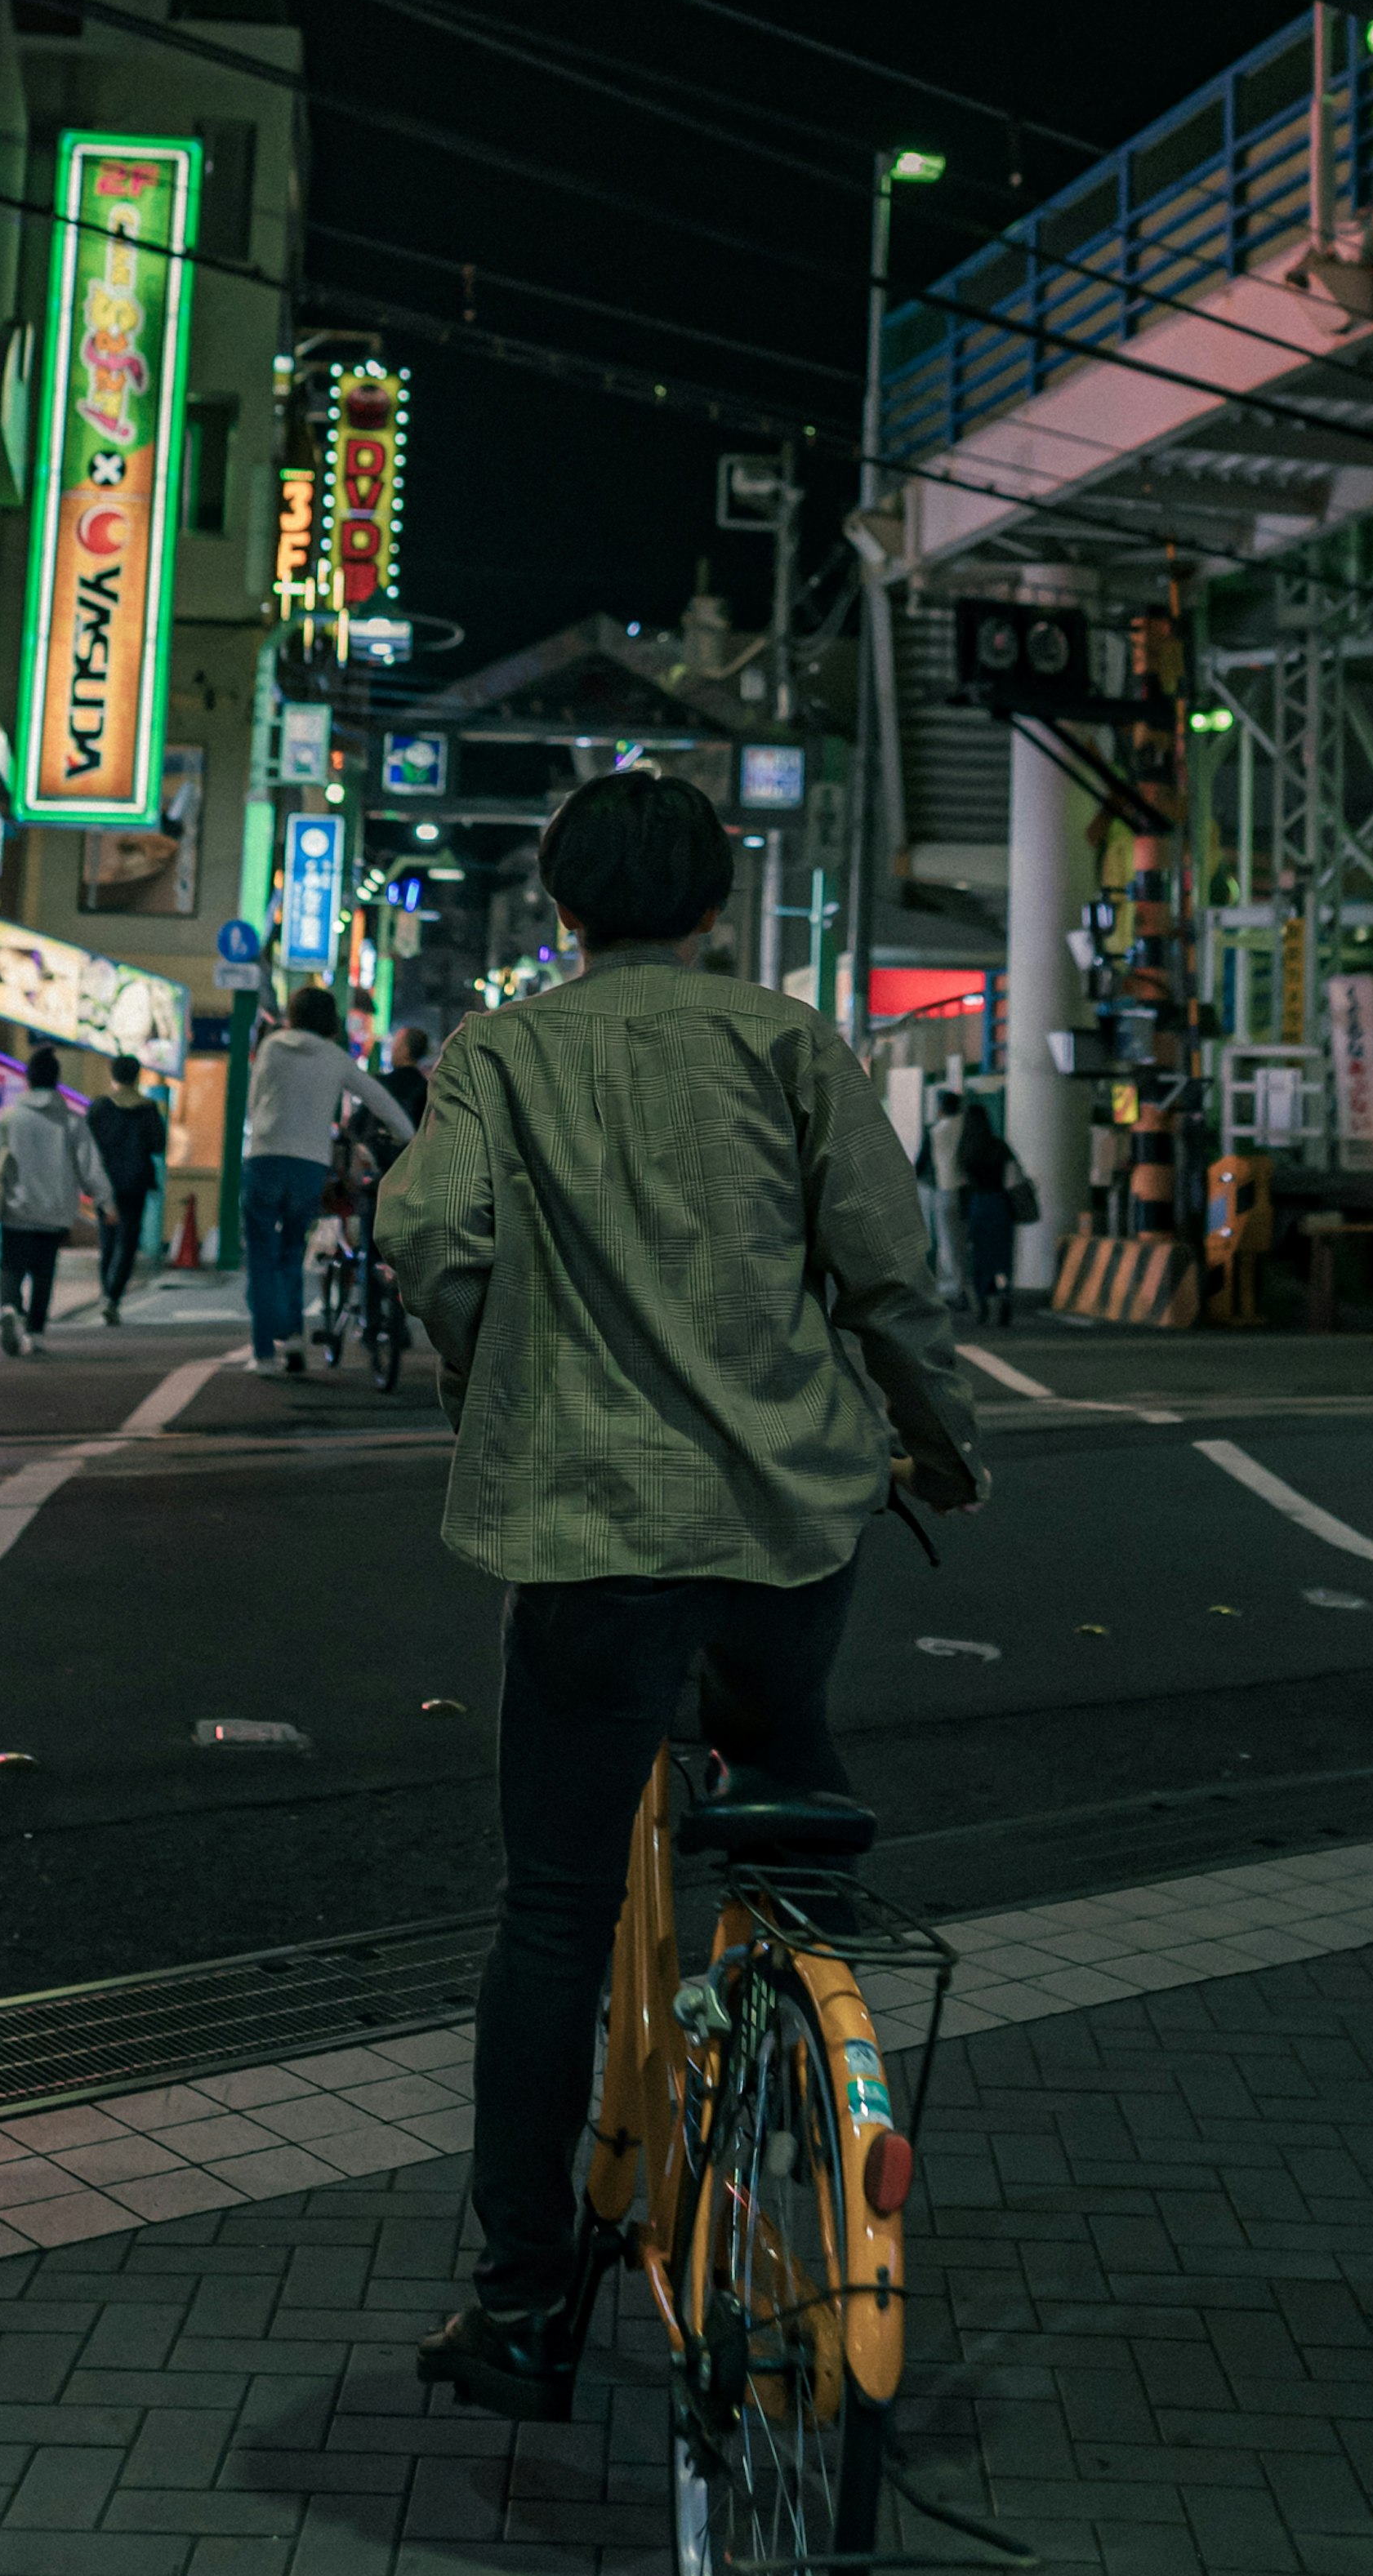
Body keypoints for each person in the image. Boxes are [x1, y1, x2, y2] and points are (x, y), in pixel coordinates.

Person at [379, 765, 985, 2421]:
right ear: (717, 902)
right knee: (787, 1755)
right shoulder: (791, 1044)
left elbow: (433, 1236)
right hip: (788, 1518)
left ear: (562, 907)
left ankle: (516, 2305)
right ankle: (802, 2036)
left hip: (585, 1536)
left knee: (555, 1911)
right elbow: (887, 1276)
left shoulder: (503, 1050)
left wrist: (487, 1371)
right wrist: (941, 1445)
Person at [242, 983, 412, 1372]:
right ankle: (294, 1337)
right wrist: (410, 1137)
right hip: (308, 1166)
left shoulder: (271, 1048)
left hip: (265, 1159)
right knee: (290, 1253)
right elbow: (378, 1098)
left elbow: (254, 1104)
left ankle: (265, 1352)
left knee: (262, 1255)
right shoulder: (335, 1058)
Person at [0, 1044, 103, 1353]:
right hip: (55, 1212)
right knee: (44, 1273)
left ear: (28, 1080)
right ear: (57, 1081)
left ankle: (9, 1308)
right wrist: (105, 1201)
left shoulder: (10, 1118)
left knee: (11, 1267)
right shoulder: (72, 1122)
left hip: (17, 1208)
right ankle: (35, 1334)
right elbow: (90, 1166)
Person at [84, 1052, 172, 1321]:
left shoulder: (99, 1108)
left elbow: (88, 1146)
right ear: (137, 1076)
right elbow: (159, 1145)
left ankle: (106, 1293)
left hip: (105, 1184)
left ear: (113, 1074)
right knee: (128, 1241)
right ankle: (113, 1296)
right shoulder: (148, 1109)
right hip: (136, 1184)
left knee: (108, 1239)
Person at [955, 1077, 1022, 1326]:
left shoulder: (966, 1150)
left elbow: (962, 1181)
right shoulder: (999, 1146)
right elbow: (1015, 1175)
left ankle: (983, 1304)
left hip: (978, 1206)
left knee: (981, 1257)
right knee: (1001, 1257)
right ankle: (1004, 1293)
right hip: (1000, 1204)